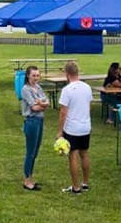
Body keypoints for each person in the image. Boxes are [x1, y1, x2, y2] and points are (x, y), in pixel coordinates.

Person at [57, 61, 93, 195]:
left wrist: (60, 131)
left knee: (73, 156)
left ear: (67, 74)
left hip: (72, 128)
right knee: (84, 154)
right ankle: (85, 182)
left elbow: (63, 112)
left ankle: (76, 186)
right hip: (85, 126)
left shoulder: (67, 90)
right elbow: (88, 107)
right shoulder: (87, 87)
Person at [20, 65, 49, 191]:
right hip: (32, 121)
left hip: (40, 121)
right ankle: (26, 180)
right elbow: (34, 107)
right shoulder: (26, 89)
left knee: (36, 151)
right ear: (28, 76)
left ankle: (30, 177)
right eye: (33, 75)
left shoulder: (38, 87)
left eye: (38, 75)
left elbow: (47, 102)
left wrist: (41, 104)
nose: (36, 78)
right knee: (30, 152)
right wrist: (42, 105)